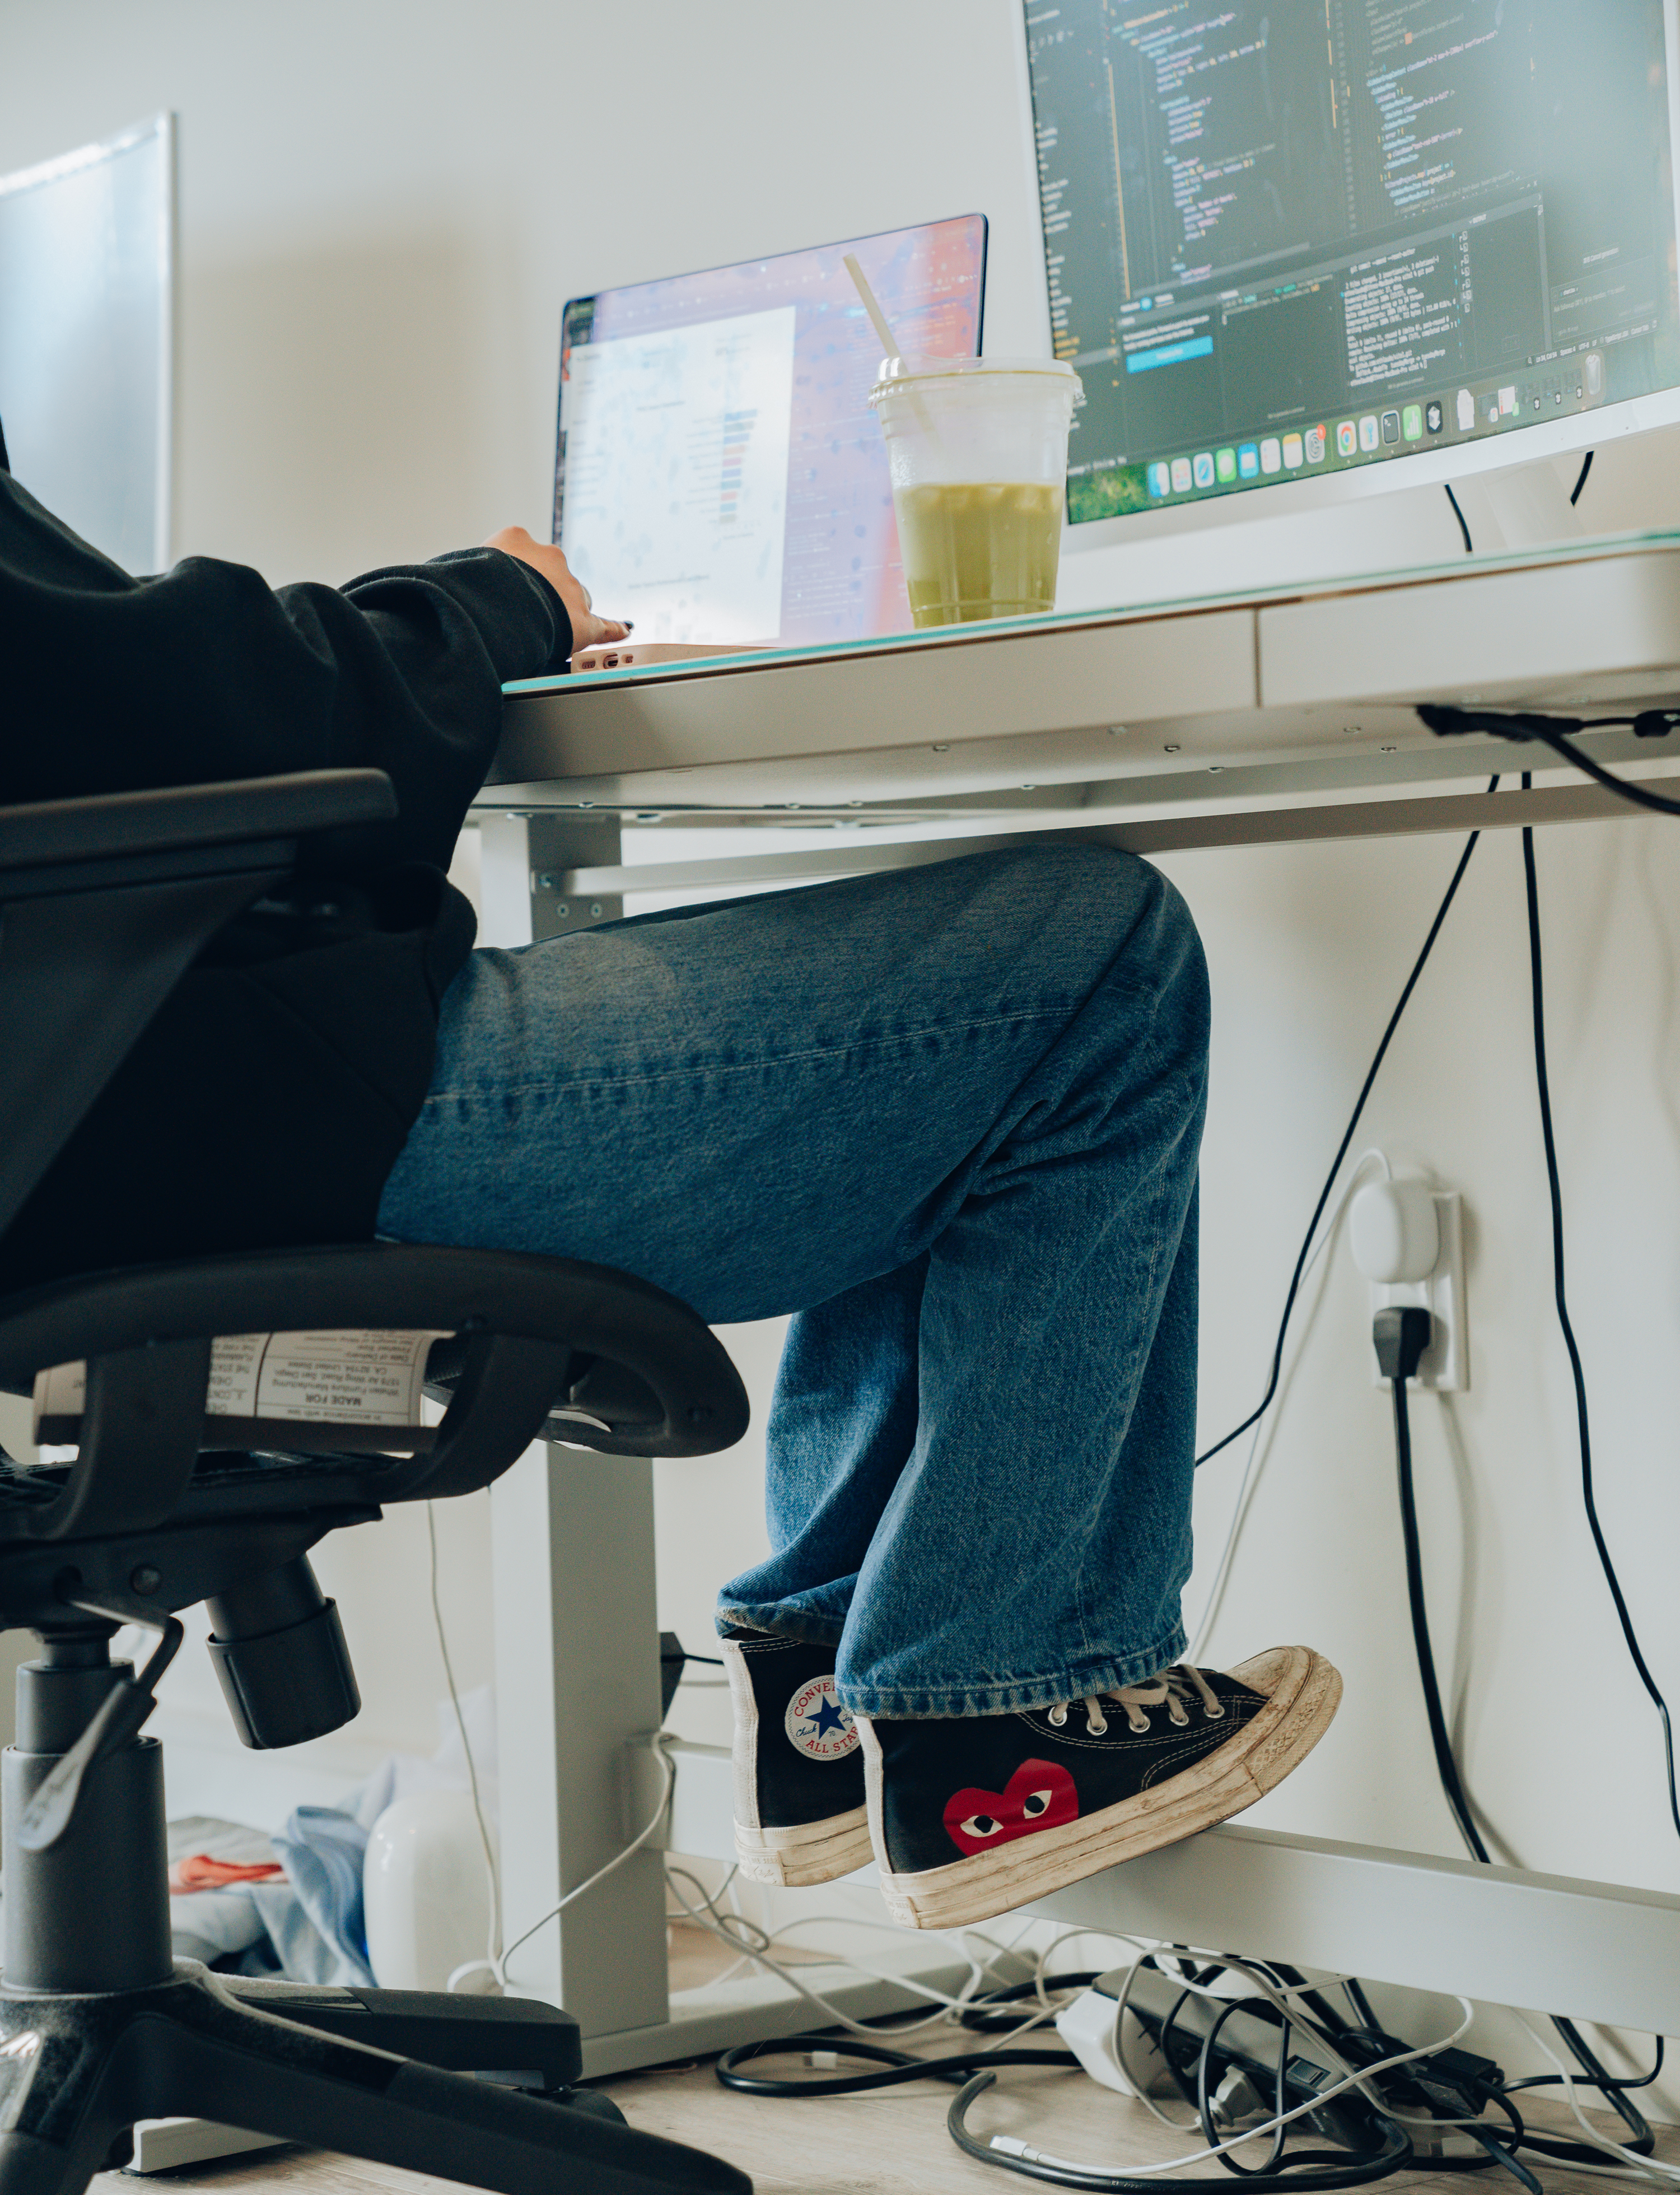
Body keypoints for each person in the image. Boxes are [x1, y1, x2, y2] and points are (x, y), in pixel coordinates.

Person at [0, 454, 1340, 1936]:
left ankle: (835, 1679)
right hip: (234, 1122)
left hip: (104, 1138)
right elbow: (161, 704)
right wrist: (492, 604)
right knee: (1097, 959)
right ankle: (996, 1705)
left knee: (959, 1033)